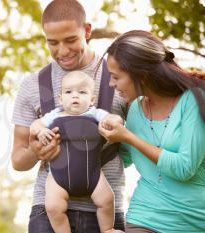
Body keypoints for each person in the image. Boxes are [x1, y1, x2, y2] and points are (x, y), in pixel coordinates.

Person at [11, 0, 126, 232]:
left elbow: (143, 138)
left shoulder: (119, 78)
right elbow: (17, 160)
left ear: (87, 30)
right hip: (48, 211)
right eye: (52, 43)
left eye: (70, 40)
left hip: (105, 211)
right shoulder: (33, 85)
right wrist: (36, 151)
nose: (62, 51)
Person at [99, 30, 205, 232]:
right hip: (145, 215)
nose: (111, 84)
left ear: (142, 75)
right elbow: (124, 158)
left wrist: (128, 137)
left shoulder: (194, 99)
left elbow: (185, 168)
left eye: (116, 77)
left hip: (194, 220)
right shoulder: (136, 109)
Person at [30, 71, 123, 233]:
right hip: (59, 178)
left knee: (107, 199)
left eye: (82, 92)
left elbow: (116, 119)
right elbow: (35, 125)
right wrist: (40, 131)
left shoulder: (95, 113)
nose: (75, 96)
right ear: (60, 99)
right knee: (52, 207)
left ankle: (107, 229)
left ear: (92, 99)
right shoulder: (54, 116)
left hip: (93, 176)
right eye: (68, 92)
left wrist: (113, 122)